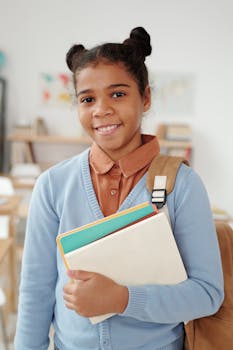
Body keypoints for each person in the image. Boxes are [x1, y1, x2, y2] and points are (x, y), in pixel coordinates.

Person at [14, 27, 224, 350]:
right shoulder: (52, 187)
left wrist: (122, 298)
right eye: (87, 99)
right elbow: (35, 295)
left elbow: (207, 294)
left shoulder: (183, 186)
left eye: (118, 94)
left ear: (146, 97)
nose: (101, 110)